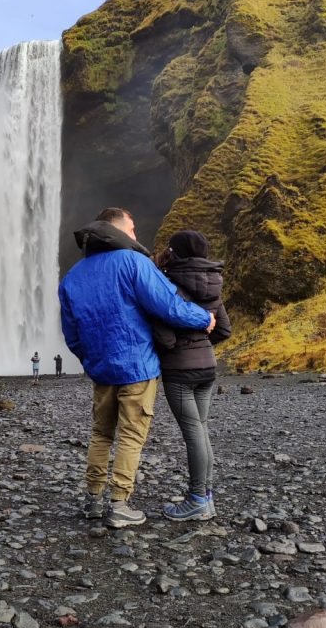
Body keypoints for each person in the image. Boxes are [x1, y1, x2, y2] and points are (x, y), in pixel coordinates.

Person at [59, 207, 215, 529]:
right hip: (137, 367)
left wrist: (88, 360)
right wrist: (205, 319)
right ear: (116, 230)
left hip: (101, 370)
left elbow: (71, 333)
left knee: (101, 433)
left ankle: (93, 500)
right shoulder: (134, 262)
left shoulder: (72, 276)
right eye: (131, 229)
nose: (135, 236)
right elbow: (169, 306)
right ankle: (119, 504)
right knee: (131, 436)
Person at [154, 230, 231, 521]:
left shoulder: (170, 283)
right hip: (208, 369)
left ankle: (197, 498)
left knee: (193, 434)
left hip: (180, 372)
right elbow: (223, 329)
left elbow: (165, 333)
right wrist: (200, 345)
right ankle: (207, 498)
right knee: (201, 430)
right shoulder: (213, 285)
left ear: (175, 253)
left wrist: (179, 346)